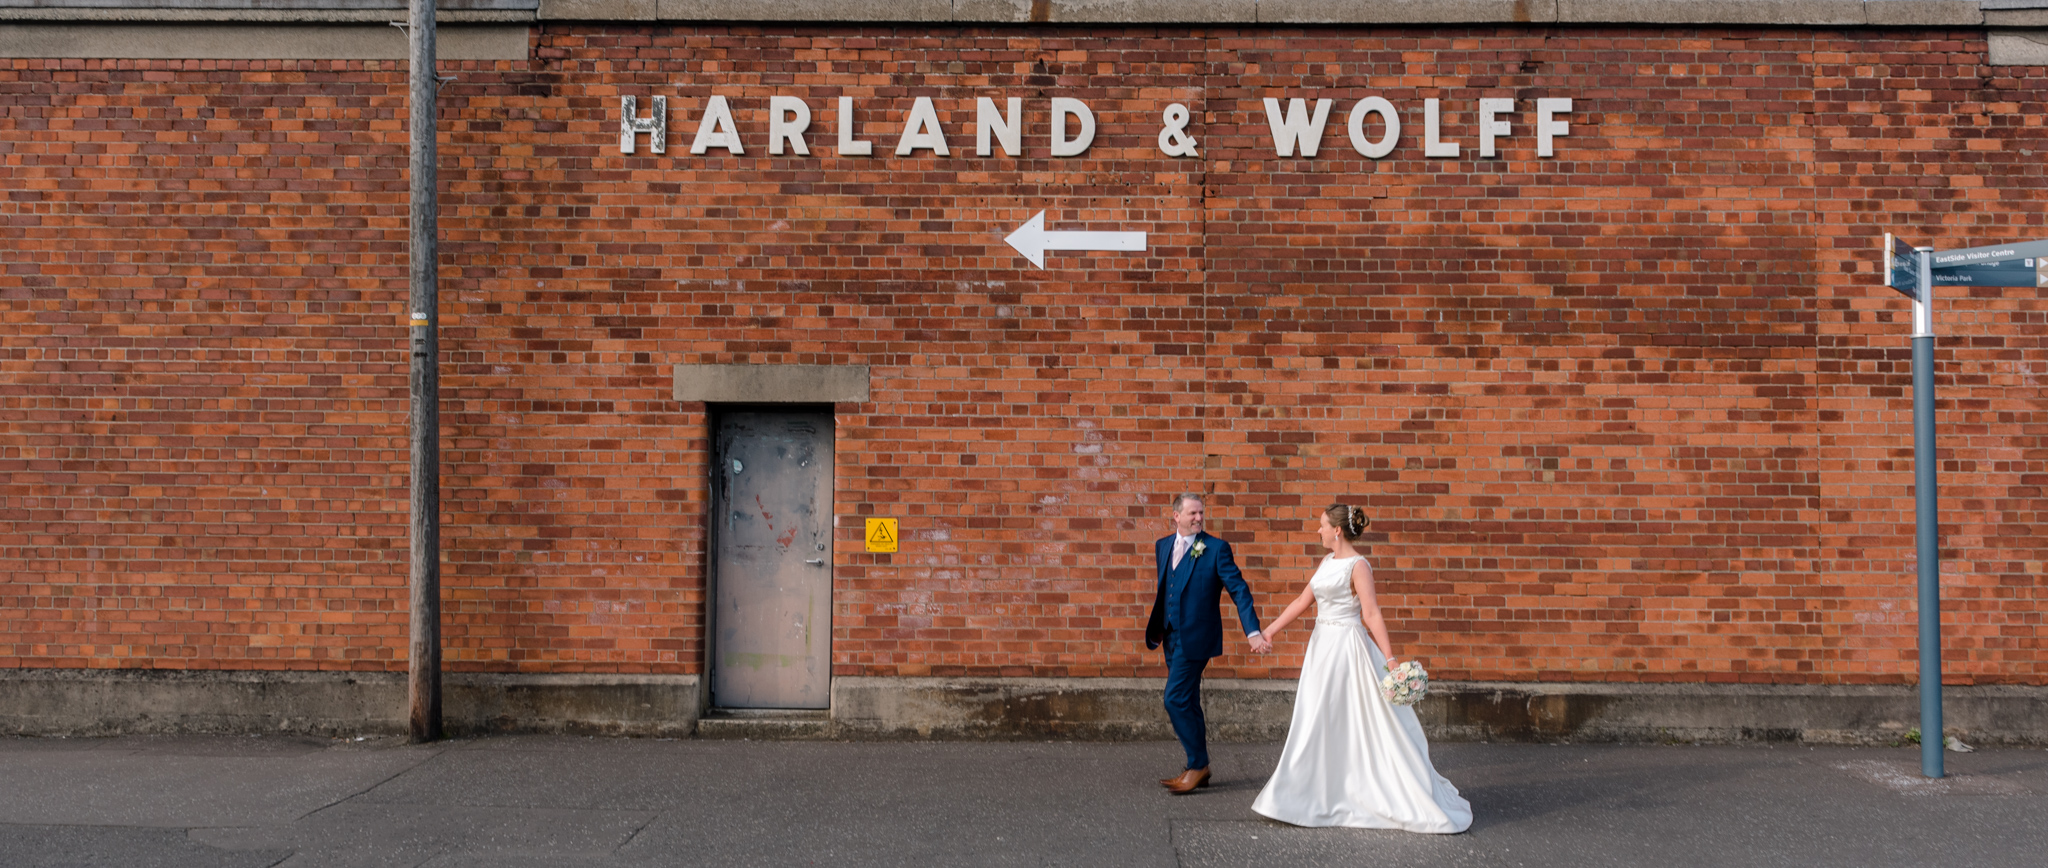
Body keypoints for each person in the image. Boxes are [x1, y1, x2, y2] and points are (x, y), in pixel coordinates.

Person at [1249, 504, 1472, 832]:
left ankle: (1353, 789)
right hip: (1321, 647)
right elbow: (1301, 602)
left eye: (1322, 525)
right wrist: (1268, 631)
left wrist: (1391, 660)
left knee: (1349, 716)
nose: (1319, 531)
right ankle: (1303, 792)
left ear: (1337, 530)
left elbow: (1372, 614)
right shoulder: (1327, 562)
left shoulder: (1358, 566)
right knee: (1315, 716)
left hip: (1347, 649)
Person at [1146, 493, 1270, 794]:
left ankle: (1198, 764)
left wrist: (1253, 631)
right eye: (1192, 513)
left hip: (1197, 637)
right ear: (1177, 516)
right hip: (1170, 636)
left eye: (1201, 513)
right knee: (1187, 701)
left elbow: (1239, 590)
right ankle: (1198, 767)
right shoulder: (1163, 545)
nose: (1199, 518)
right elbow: (1169, 588)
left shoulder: (1215, 549)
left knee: (1173, 699)